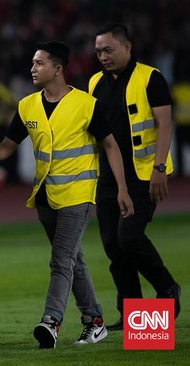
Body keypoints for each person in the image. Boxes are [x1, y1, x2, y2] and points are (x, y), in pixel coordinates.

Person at [0, 41, 134, 348]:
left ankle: (51, 321)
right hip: (46, 196)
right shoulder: (27, 106)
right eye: (33, 63)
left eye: (39, 63)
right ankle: (95, 320)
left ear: (58, 69)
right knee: (73, 260)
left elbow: (110, 146)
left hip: (78, 194)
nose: (32, 68)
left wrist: (122, 189)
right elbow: (7, 148)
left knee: (61, 260)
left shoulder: (85, 104)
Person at [90, 23, 181, 330]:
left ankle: (167, 287)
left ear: (127, 47)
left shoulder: (150, 77)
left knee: (128, 236)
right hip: (107, 178)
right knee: (113, 245)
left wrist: (159, 169)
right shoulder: (94, 84)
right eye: (98, 51)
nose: (103, 56)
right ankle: (132, 314)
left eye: (108, 50)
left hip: (143, 175)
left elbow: (165, 124)